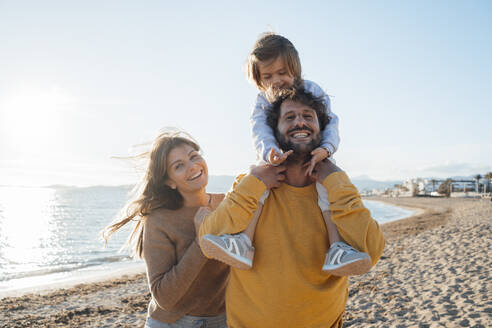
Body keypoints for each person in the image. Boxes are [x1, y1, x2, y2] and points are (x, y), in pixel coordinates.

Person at [196, 86, 385, 327]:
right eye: (290, 117)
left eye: (308, 116)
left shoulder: (335, 189)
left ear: (322, 129)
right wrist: (255, 181)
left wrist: (334, 177)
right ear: (274, 133)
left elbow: (372, 250)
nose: (300, 123)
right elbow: (209, 238)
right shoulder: (252, 185)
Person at [200, 32, 371, 275]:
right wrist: (270, 153)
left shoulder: (311, 90)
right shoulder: (262, 101)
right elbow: (259, 130)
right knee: (260, 184)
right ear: (258, 80)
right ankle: (243, 242)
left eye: (282, 73)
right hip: (276, 155)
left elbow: (331, 122)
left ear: (295, 70)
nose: (276, 81)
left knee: (325, 192)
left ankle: (337, 246)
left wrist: (326, 149)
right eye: (267, 76)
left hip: (316, 152)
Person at [102, 130, 229, 328]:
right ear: (169, 181)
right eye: (179, 166)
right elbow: (164, 296)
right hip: (173, 323)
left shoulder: (228, 204)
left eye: (194, 156)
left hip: (223, 320)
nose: (192, 166)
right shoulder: (158, 220)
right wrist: (202, 241)